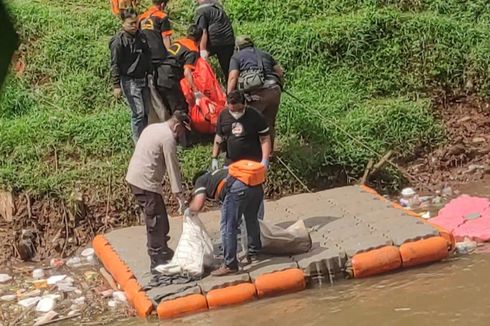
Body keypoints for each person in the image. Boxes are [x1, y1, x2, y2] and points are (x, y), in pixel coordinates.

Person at [126, 111, 191, 274]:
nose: (180, 135)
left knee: (160, 218)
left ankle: (163, 251)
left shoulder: (152, 127)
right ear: (177, 126)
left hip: (135, 177)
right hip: (146, 182)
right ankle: (156, 261)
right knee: (155, 221)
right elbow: (172, 166)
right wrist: (179, 194)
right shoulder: (168, 138)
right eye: (182, 131)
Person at [188, 168, 263, 276]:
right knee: (251, 219)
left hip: (236, 189)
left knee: (228, 226)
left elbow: (198, 205)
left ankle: (230, 265)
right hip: (256, 185)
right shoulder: (219, 173)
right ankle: (254, 254)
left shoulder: (200, 181)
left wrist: (188, 210)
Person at [227, 35, 284, 151]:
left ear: (237, 47)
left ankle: (250, 153)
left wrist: (229, 97)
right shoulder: (265, 54)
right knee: (269, 123)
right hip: (274, 91)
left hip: (257, 94)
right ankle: (268, 154)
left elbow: (233, 77)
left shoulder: (236, 57)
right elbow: (280, 72)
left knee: (249, 122)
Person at [110, 8, 152, 143]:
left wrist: (150, 73)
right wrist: (116, 85)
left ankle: (146, 140)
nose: (134, 26)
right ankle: (138, 143)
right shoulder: (118, 42)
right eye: (131, 23)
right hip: (129, 80)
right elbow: (115, 64)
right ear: (123, 23)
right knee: (138, 113)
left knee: (146, 111)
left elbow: (148, 55)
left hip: (143, 78)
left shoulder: (141, 36)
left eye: (136, 22)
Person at [211, 90, 272, 170]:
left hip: (252, 163)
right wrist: (214, 157)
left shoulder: (255, 116)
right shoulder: (223, 115)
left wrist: (264, 160)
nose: (236, 113)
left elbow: (265, 138)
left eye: (239, 110)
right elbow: (219, 137)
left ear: (244, 104)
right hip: (231, 163)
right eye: (232, 110)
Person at [139, 0, 173, 122]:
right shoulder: (162, 16)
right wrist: (171, 57)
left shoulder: (141, 17)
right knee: (165, 87)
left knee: (152, 88)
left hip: (146, 59)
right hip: (161, 57)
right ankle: (168, 117)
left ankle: (156, 118)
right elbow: (166, 38)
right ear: (163, 4)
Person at [157, 24, 202, 116]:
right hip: (170, 78)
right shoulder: (193, 50)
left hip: (158, 75)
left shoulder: (178, 42)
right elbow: (187, 72)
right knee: (180, 109)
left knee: (168, 109)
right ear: (200, 39)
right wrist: (195, 91)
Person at [194, 0, 235, 80]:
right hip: (228, 40)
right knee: (228, 69)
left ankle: (202, 83)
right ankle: (232, 90)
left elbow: (203, 31)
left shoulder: (201, 10)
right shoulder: (217, 6)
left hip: (214, 42)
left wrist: (202, 49)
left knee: (195, 59)